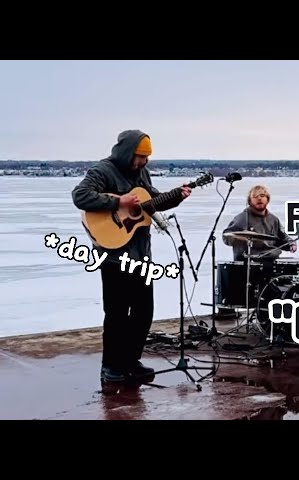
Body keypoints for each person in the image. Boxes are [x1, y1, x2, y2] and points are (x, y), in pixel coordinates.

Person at [71, 129, 192, 387]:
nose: (144, 162)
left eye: (147, 157)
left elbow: (152, 203)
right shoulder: (103, 170)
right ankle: (111, 366)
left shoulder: (142, 174)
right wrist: (118, 203)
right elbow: (80, 196)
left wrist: (177, 197)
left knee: (143, 311)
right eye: (140, 157)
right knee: (116, 313)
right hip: (114, 256)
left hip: (141, 255)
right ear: (127, 152)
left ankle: (131, 361)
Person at [222, 184, 297, 263]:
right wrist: (241, 239)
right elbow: (226, 236)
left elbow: (281, 238)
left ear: (267, 199)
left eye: (262, 195)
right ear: (249, 201)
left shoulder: (274, 219)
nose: (259, 198)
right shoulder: (242, 218)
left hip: (271, 260)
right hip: (248, 263)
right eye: (255, 196)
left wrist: (290, 244)